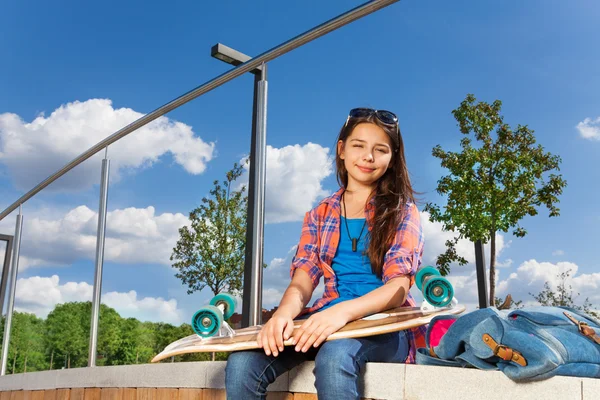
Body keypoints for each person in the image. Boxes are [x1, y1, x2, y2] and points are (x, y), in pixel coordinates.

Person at [225, 107, 425, 400]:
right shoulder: (320, 213)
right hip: (324, 320)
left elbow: (397, 288)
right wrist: (282, 315)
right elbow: (302, 280)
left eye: (380, 149)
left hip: (383, 325)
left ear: (392, 158)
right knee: (243, 364)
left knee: (334, 357)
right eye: (358, 146)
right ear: (342, 150)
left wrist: (340, 313)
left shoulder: (403, 212)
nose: (368, 157)